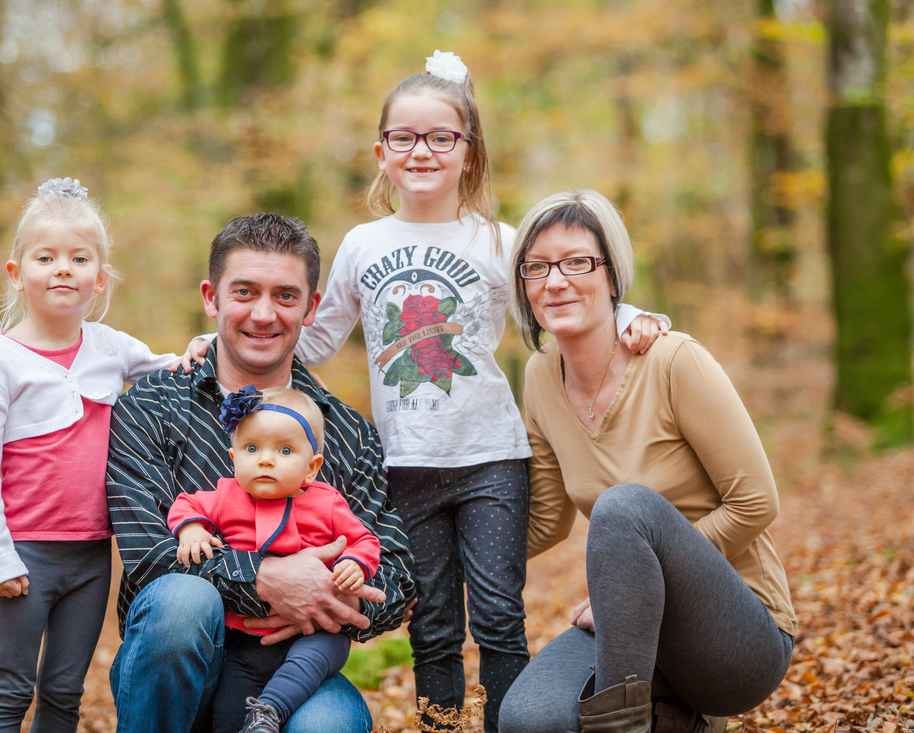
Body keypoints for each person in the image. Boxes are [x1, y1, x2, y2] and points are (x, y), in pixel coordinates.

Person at [181, 51, 668, 733]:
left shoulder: (499, 241)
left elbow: (562, 296)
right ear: (381, 152)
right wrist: (221, 347)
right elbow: (311, 342)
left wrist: (629, 317)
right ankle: (441, 723)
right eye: (404, 137)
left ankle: (510, 721)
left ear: (468, 152)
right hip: (404, 464)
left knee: (498, 611)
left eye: (442, 137)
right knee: (433, 618)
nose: (422, 150)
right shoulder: (361, 244)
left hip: (491, 457)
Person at [497, 189, 797, 733]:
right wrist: (443, 565)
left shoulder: (673, 360)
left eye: (576, 262)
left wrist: (635, 579)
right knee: (527, 719)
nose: (554, 281)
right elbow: (546, 519)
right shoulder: (540, 375)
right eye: (536, 267)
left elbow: (757, 501)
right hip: (636, 632)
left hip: (740, 636)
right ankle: (674, 718)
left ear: (612, 275)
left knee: (624, 508)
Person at [106, 212, 415, 733]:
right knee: (182, 601)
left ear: (312, 307)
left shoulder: (346, 433)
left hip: (289, 672)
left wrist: (326, 588)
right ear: (212, 297)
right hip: (176, 659)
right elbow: (150, 557)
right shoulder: (149, 408)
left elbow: (396, 575)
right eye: (245, 292)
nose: (264, 314)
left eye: (286, 296)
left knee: (330, 728)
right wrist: (268, 578)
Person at [0, 177, 182, 732]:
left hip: (90, 555)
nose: (63, 268)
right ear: (17, 274)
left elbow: (169, 368)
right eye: (46, 257)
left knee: (64, 690)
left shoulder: (110, 348)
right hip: (26, 554)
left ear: (99, 277)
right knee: (11, 686)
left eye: (79, 258)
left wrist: (200, 351)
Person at [169, 385, 381, 733]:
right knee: (229, 711)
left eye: (284, 450)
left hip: (314, 633)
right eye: (252, 448)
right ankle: (251, 719)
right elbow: (186, 503)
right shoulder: (226, 496)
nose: (266, 459)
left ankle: (270, 709)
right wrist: (191, 528)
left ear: (311, 468)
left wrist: (354, 564)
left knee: (319, 653)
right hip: (248, 638)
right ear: (234, 458)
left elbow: (363, 540)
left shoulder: (326, 504)